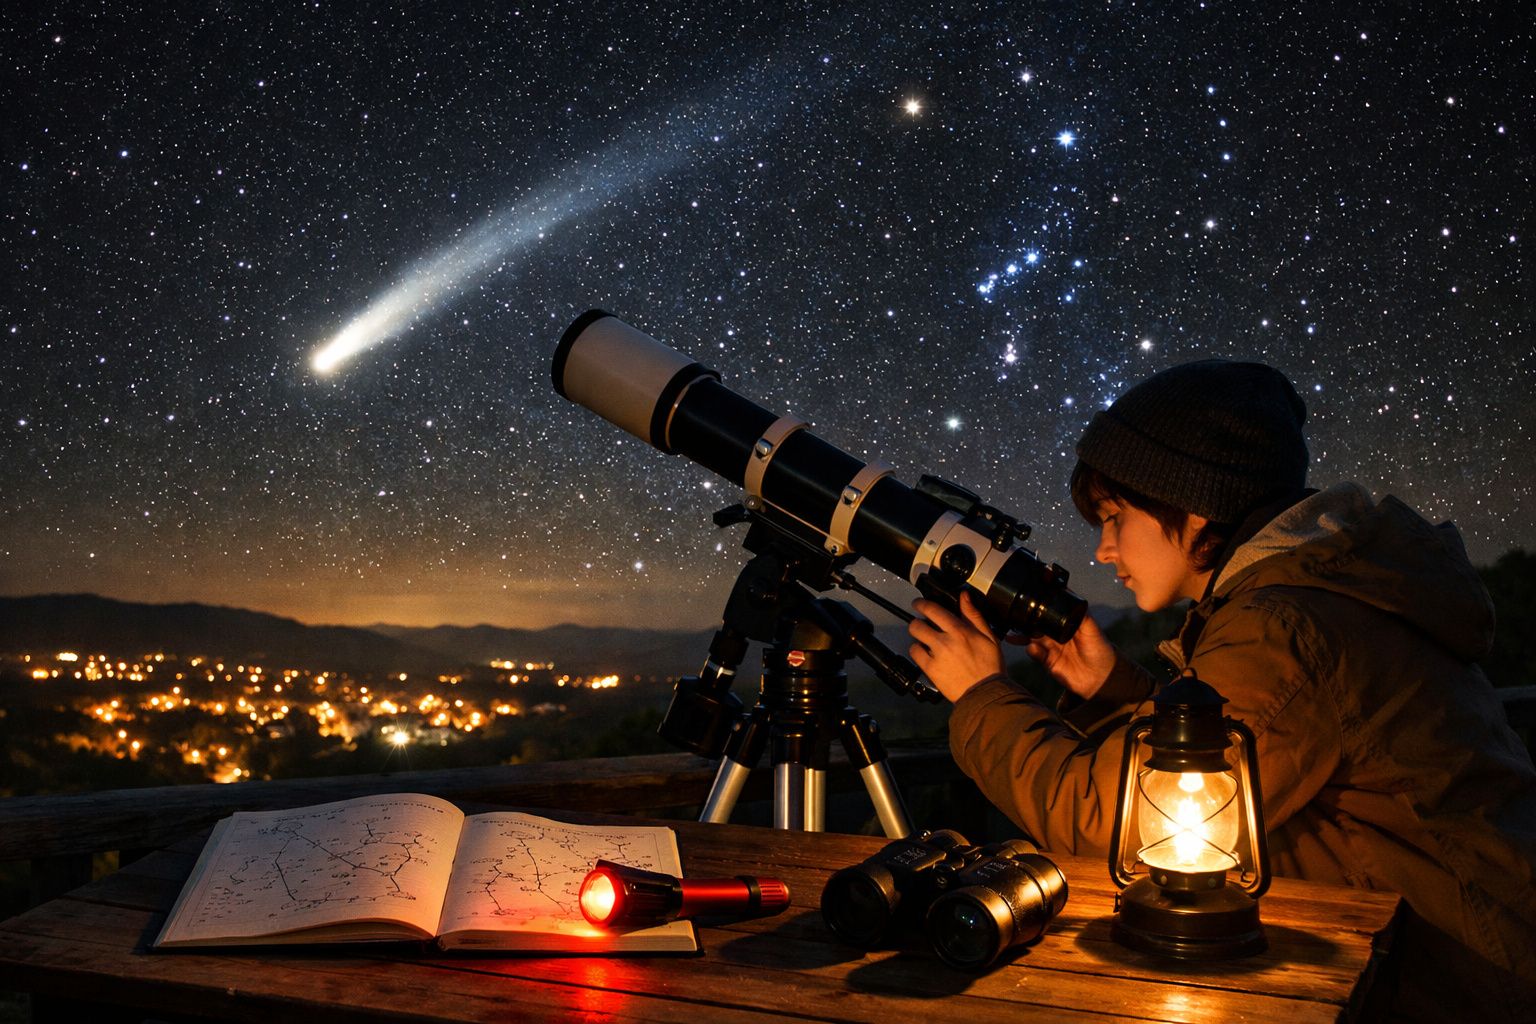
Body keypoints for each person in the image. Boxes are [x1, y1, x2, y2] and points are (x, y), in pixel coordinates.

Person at [907, 360, 1536, 1022]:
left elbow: (1114, 832)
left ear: (1194, 503)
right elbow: (1218, 769)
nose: (1102, 549)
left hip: (1458, 982)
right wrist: (1110, 687)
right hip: (1456, 954)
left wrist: (980, 695)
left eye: (1116, 516)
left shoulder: (1285, 629)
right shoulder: (1309, 602)